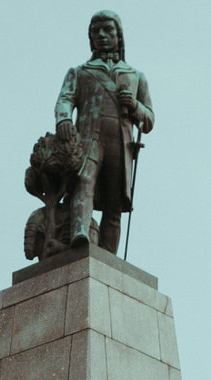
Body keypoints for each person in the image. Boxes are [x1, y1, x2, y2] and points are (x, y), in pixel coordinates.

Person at [53, 10, 152, 254]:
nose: (101, 35)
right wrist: (63, 119)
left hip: (120, 142)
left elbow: (148, 120)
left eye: (108, 30)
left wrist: (135, 106)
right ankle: (80, 233)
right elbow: (64, 100)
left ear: (119, 36)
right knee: (83, 183)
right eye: (95, 31)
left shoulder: (136, 76)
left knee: (114, 201)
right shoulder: (79, 72)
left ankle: (109, 254)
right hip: (88, 137)